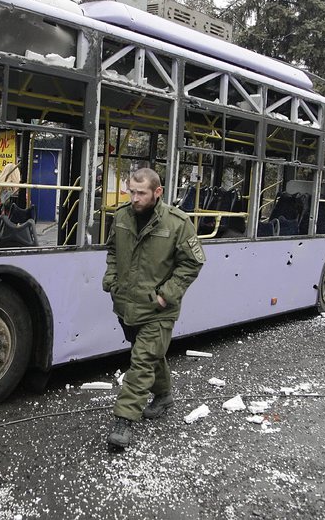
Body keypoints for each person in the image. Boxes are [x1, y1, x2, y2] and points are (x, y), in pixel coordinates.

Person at [102, 167, 205, 448]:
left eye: (141, 193)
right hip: (127, 305)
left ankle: (123, 422)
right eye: (131, 192)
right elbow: (113, 251)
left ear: (157, 192)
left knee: (142, 360)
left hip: (160, 309)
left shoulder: (177, 223)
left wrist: (165, 296)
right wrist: (111, 280)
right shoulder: (122, 216)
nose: (134, 198)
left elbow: (192, 263)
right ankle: (164, 396)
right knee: (149, 354)